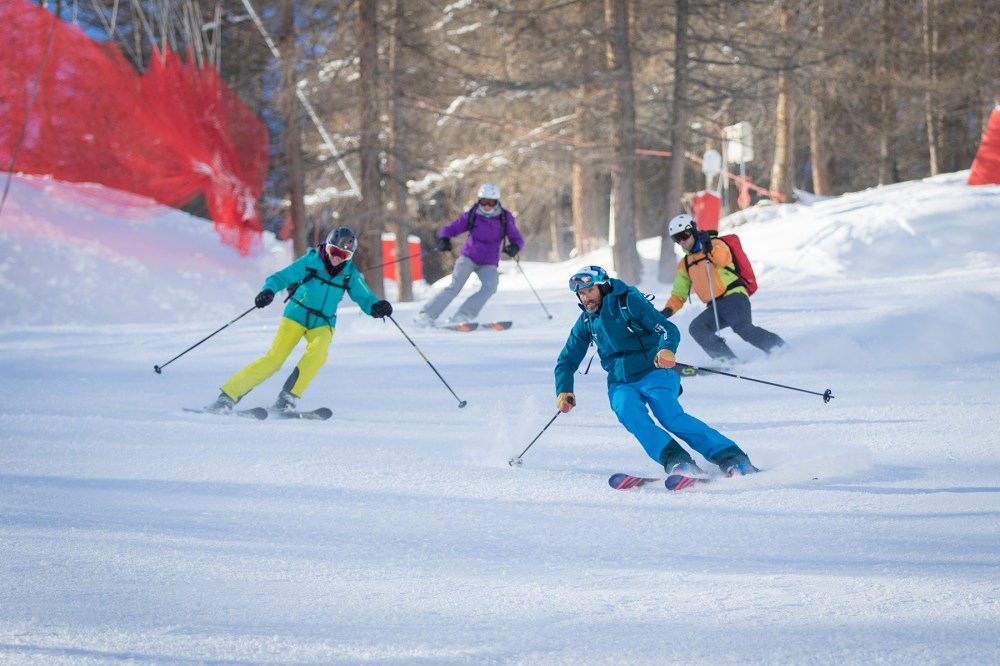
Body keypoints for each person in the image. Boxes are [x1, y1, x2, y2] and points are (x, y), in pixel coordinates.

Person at [554, 265, 758, 479]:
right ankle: (678, 461)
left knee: (671, 418)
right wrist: (564, 390)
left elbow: (666, 328)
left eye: (590, 290)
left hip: (654, 371)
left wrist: (666, 349)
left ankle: (732, 457)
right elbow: (567, 360)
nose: (586, 298)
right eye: (581, 293)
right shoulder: (586, 322)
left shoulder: (628, 301)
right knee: (630, 414)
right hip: (620, 382)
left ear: (603, 287)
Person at [205, 226, 393, 413]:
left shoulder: (349, 274)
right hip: (296, 315)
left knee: (318, 354)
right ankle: (227, 397)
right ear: (327, 247)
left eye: (344, 255)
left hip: (323, 322)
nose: (337, 258)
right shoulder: (310, 262)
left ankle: (288, 398)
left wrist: (376, 307)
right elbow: (281, 278)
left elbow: (365, 297)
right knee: (274, 360)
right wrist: (268, 291)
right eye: (334, 251)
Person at [661, 213, 785, 363]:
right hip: (714, 306)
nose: (682, 241)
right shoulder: (685, 264)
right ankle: (727, 359)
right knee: (697, 328)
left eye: (684, 235)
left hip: (733, 297)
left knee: (742, 328)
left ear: (693, 230)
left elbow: (725, 260)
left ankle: (780, 348)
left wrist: (709, 247)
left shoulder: (715, 244)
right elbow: (679, 294)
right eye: (677, 238)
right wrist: (667, 311)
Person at [414, 183, 524, 326]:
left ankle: (463, 315)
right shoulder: (473, 214)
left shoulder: (504, 217)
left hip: (489, 262)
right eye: (484, 201)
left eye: (491, 202)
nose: (487, 206)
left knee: (490, 286)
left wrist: (515, 247)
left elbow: (517, 238)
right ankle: (427, 314)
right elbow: (451, 228)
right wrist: (444, 239)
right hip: (469, 257)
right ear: (479, 200)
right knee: (455, 286)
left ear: (496, 202)